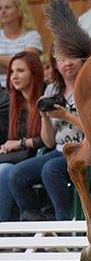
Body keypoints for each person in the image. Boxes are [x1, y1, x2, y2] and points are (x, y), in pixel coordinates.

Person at [8, 49, 85, 221]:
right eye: (61, 59)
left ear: (83, 60)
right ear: (55, 64)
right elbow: (49, 142)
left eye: (72, 57)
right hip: (59, 150)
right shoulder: (52, 89)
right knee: (17, 175)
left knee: (51, 169)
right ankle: (38, 222)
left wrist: (67, 116)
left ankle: (63, 226)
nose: (67, 63)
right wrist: (43, 116)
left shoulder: (90, 87)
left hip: (85, 149)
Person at [0, 51, 47, 221]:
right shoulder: (11, 101)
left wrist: (20, 143)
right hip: (14, 158)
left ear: (34, 73)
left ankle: (3, 230)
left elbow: (47, 140)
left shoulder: (45, 97)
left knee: (3, 171)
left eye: (20, 71)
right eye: (12, 71)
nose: (14, 76)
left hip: (37, 157)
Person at [0, 0, 43, 88]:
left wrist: (3, 64)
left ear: (20, 11)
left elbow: (26, 63)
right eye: (0, 8)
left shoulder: (32, 35)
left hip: (23, 89)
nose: (3, 11)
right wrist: (14, 64)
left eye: (7, 7)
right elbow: (19, 65)